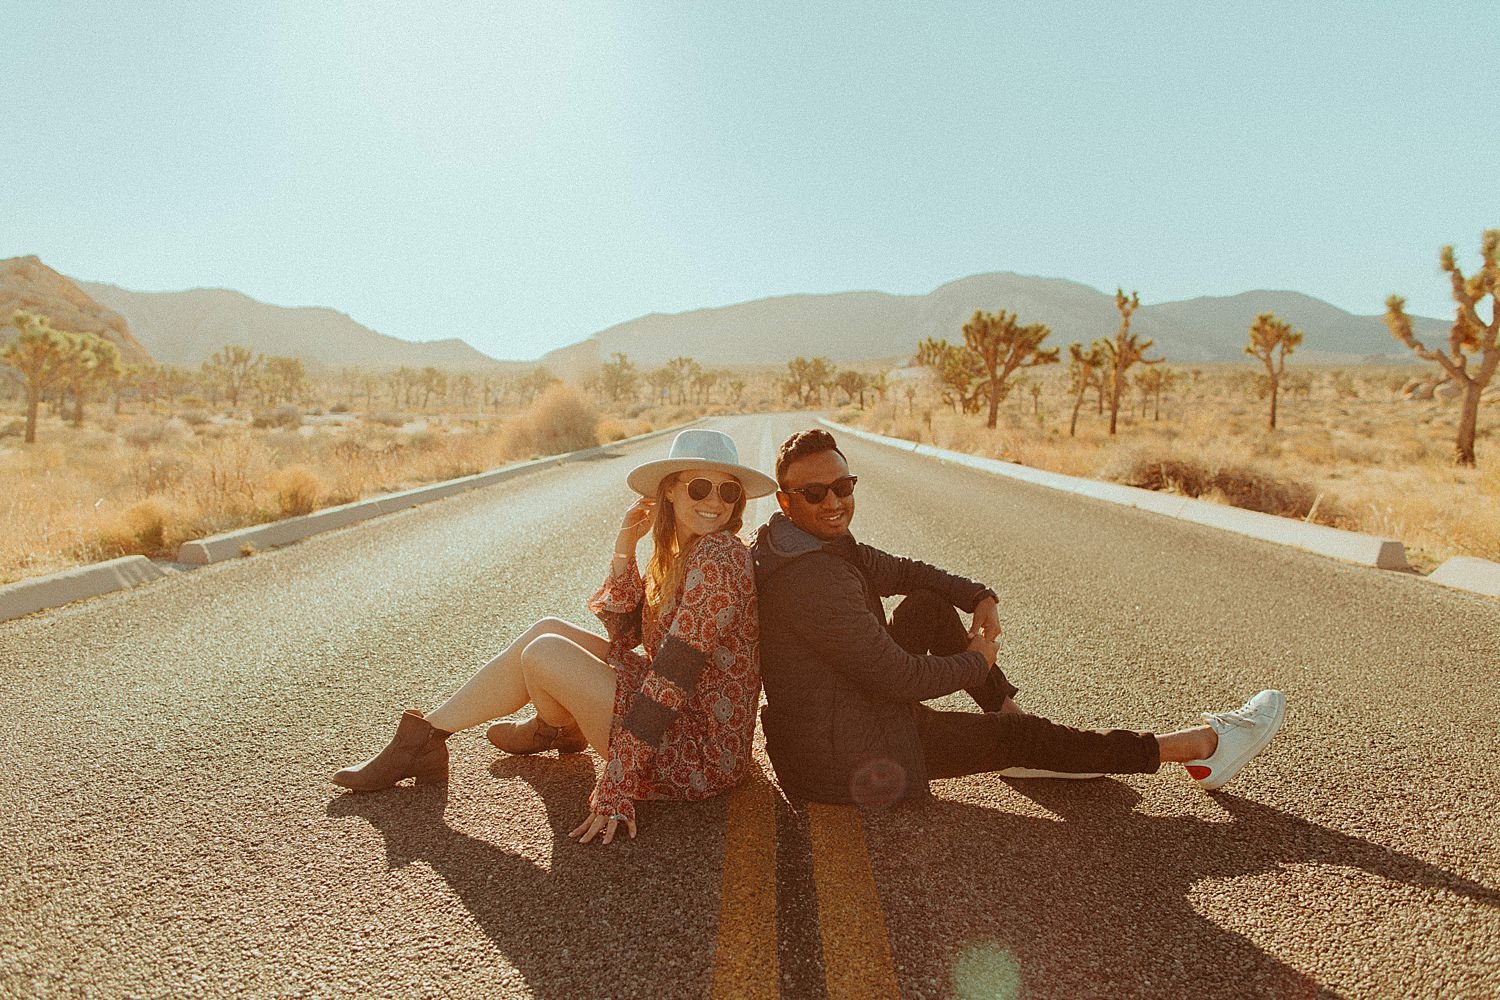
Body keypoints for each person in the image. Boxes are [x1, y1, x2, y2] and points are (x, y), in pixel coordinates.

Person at [751, 428, 1287, 808]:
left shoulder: (807, 543)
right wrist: (974, 660)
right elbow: (898, 678)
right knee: (1020, 738)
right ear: (785, 499)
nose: (833, 501)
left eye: (843, 487)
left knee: (931, 606)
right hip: (849, 757)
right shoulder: (813, 578)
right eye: (814, 493)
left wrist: (978, 595)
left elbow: (908, 572)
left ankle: (1009, 717)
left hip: (842, 719)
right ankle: (1198, 746)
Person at [332, 428, 778, 845]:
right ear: (670, 490)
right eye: (700, 487)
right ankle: (439, 737)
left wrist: (619, 782)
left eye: (728, 491)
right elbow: (624, 635)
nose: (714, 502)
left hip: (697, 750)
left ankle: (533, 729)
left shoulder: (719, 556)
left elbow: (673, 675)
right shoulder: (678, 552)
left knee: (546, 654)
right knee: (546, 630)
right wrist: (625, 545)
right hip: (679, 716)